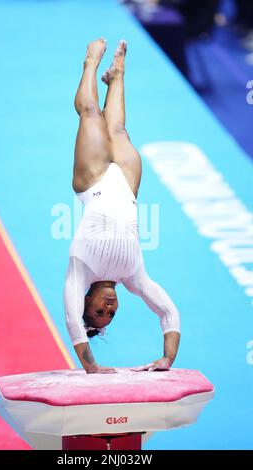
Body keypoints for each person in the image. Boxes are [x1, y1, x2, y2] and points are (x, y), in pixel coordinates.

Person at [64, 38, 180, 374]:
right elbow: (168, 312)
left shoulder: (80, 269)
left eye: (99, 312)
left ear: (87, 300)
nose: (109, 309)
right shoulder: (133, 276)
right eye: (111, 315)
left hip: (94, 181)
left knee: (90, 114)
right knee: (116, 127)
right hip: (128, 185)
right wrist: (167, 359)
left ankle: (91, 61)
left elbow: (73, 321)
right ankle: (118, 75)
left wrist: (92, 367)